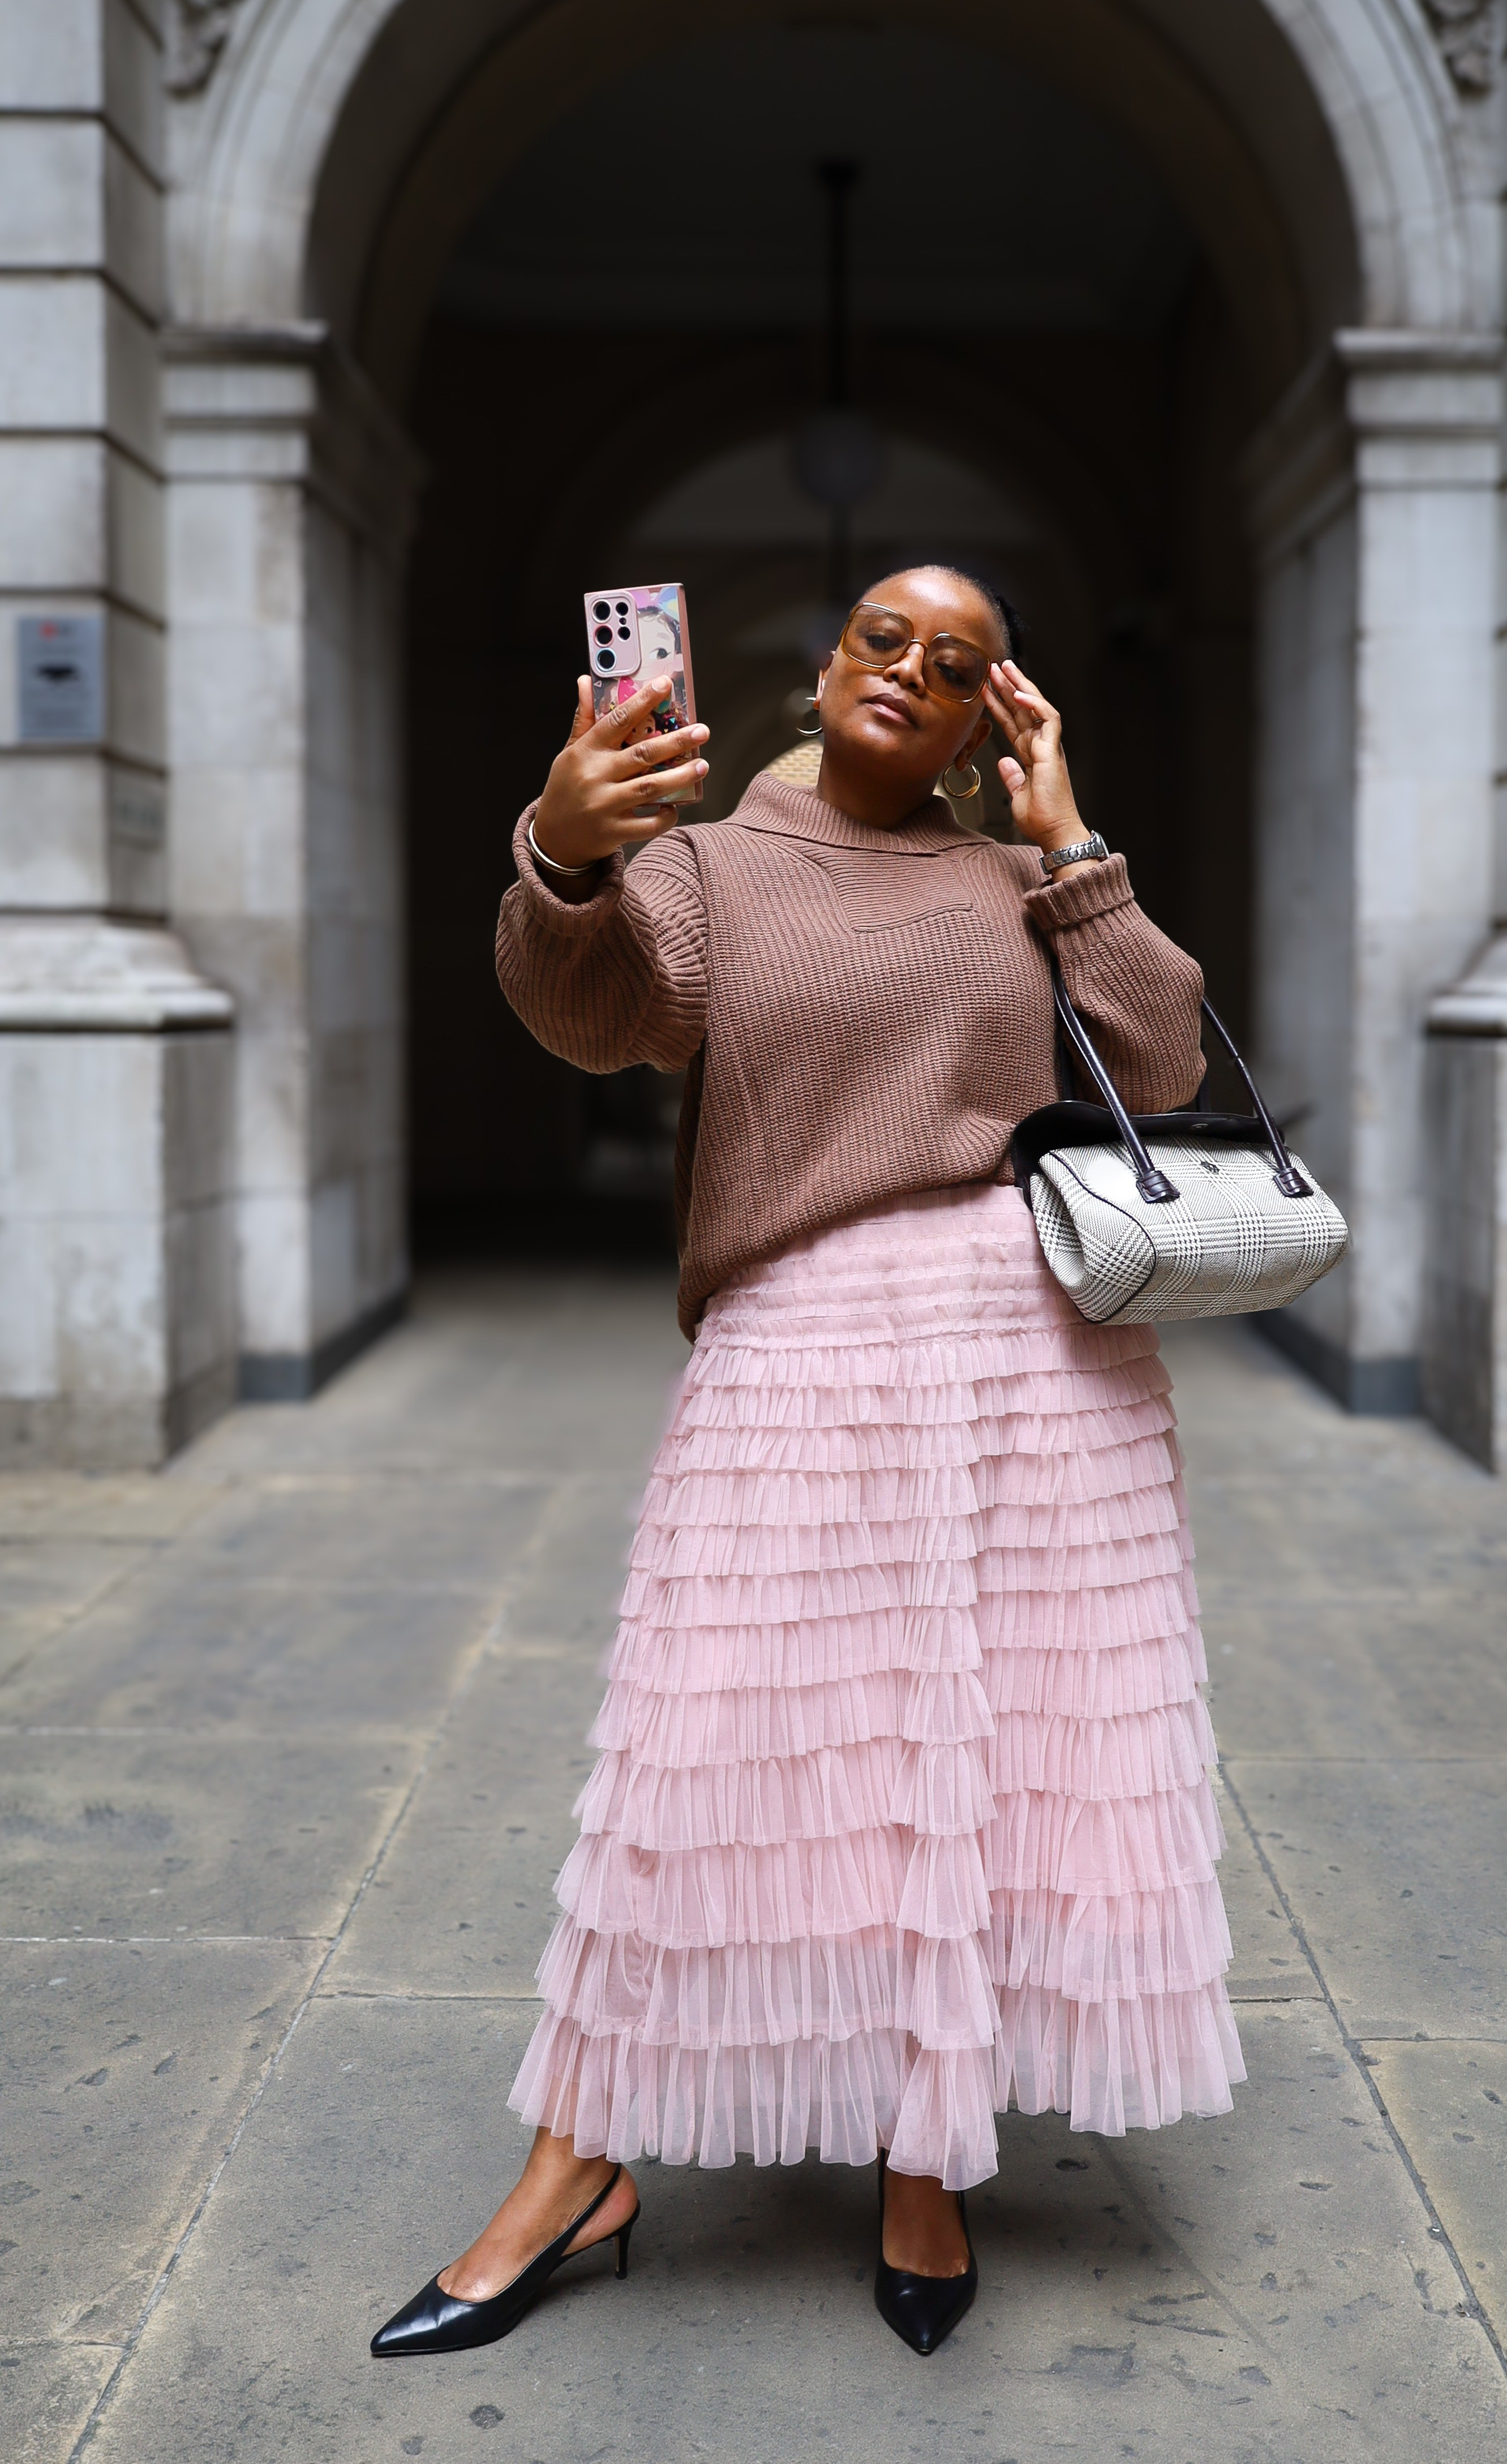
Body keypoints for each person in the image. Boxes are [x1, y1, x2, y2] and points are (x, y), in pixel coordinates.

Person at [371, 564, 1244, 2363]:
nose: (913, 671)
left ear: (991, 708)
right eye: (884, 636)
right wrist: (561, 845)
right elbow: (602, 1010)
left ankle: (926, 2157)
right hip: (801, 1343)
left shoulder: (1021, 881)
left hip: (1037, 1363)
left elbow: (1157, 1063)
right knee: (700, 1754)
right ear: (821, 662)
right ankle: (575, 2162)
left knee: (987, 1765)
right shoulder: (706, 862)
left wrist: (1075, 845)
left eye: (962, 660)